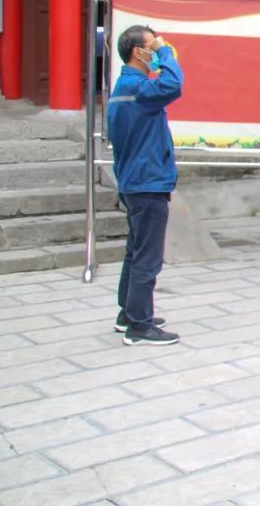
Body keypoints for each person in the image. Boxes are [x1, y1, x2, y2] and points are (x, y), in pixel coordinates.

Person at [108, 25, 183, 346]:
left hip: (134, 181)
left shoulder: (124, 87)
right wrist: (165, 52)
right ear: (138, 52)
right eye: (152, 46)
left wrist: (159, 49)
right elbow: (174, 84)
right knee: (148, 258)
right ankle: (139, 326)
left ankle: (128, 313)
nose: (159, 50)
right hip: (147, 182)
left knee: (135, 251)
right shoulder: (140, 89)